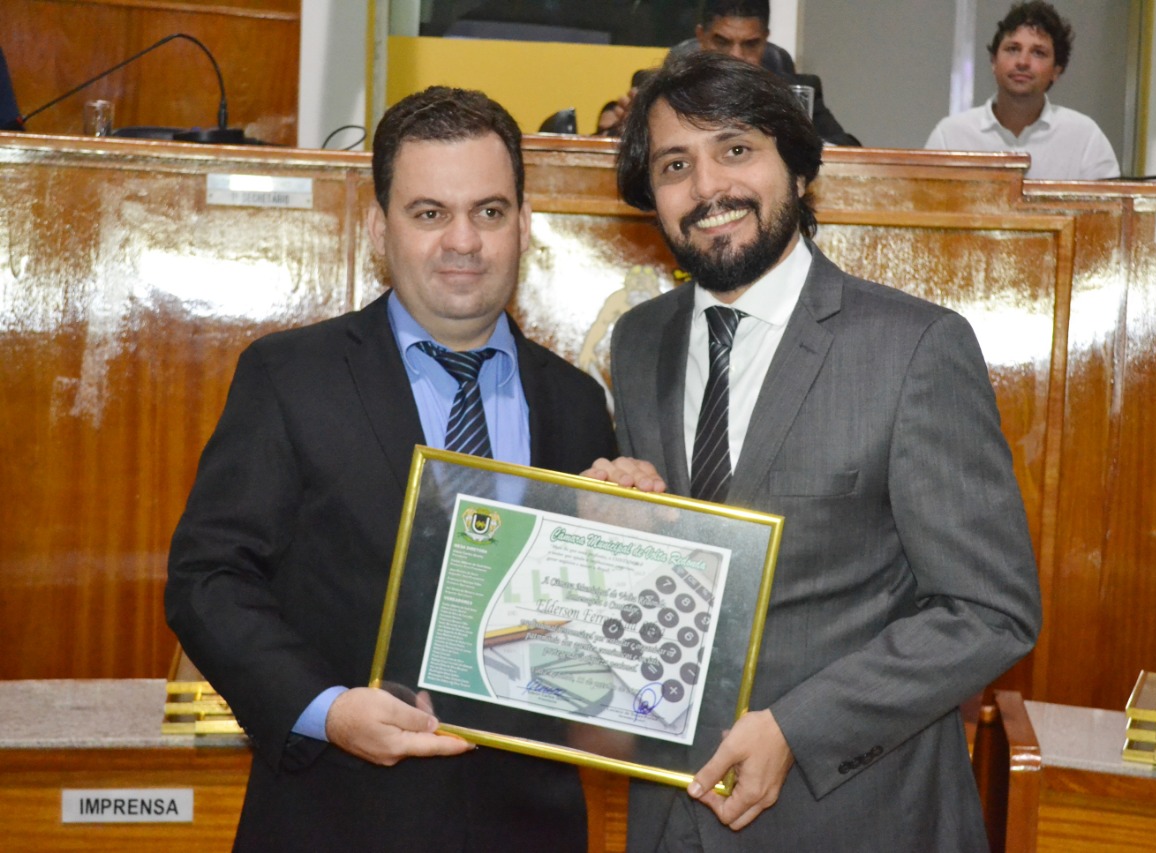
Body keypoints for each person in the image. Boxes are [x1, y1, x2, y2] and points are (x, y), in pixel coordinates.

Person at [586, 51, 1042, 850]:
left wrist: (797, 728)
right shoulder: (638, 341)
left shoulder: (914, 348)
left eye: (736, 149)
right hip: (671, 816)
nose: (708, 187)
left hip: (853, 816)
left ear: (797, 169)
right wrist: (608, 526)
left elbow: (989, 611)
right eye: (674, 165)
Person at [166, 86, 616, 852]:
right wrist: (327, 709)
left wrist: (638, 528)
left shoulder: (577, 402)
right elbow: (207, 578)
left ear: (524, 225)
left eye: (489, 211)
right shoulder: (290, 377)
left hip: (529, 826)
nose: (463, 241)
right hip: (335, 816)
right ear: (380, 227)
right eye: (429, 212)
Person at [616, 0, 860, 147]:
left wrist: (798, 135)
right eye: (722, 42)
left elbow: (848, 148)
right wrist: (631, 131)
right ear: (701, 37)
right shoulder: (655, 89)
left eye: (750, 44)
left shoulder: (797, 92)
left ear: (765, 40)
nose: (735, 56)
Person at [925, 1, 1119, 180]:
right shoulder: (950, 137)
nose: (1023, 62)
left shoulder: (1085, 138)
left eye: (1038, 53)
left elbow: (1113, 206)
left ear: (1056, 71)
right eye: (1012, 49)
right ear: (993, 62)